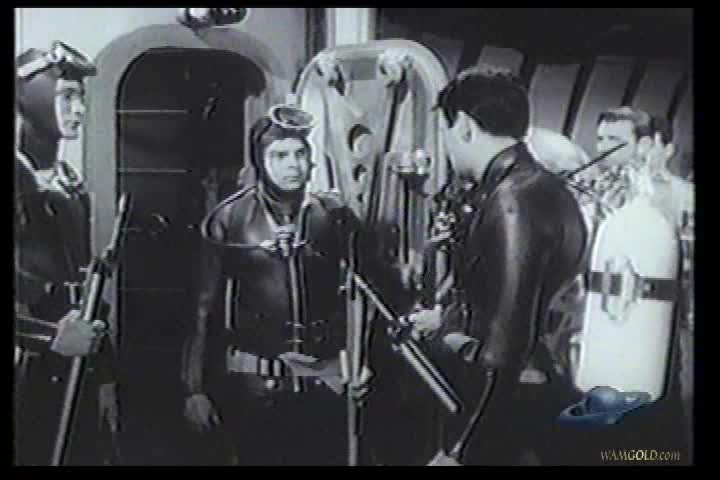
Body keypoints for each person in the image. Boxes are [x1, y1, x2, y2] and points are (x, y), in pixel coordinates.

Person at [181, 105, 415, 465]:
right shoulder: (229, 219)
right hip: (254, 390)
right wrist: (194, 389)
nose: (292, 165)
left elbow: (370, 296)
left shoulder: (335, 217)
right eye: (280, 156)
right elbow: (202, 308)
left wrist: (364, 361)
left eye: (299, 154)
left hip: (325, 388)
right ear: (260, 161)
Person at [408, 66, 588, 465]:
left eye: (446, 131)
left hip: (508, 416)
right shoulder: (541, 188)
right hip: (534, 396)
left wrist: (461, 450)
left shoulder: (513, 200)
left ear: (464, 126)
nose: (446, 146)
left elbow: (505, 345)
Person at [14, 42, 119, 465]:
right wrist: (48, 337)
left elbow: (86, 287)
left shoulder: (70, 184)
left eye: (82, 98)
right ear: (32, 99)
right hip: (25, 368)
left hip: (76, 370)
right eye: (67, 96)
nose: (79, 110)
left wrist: (106, 376)